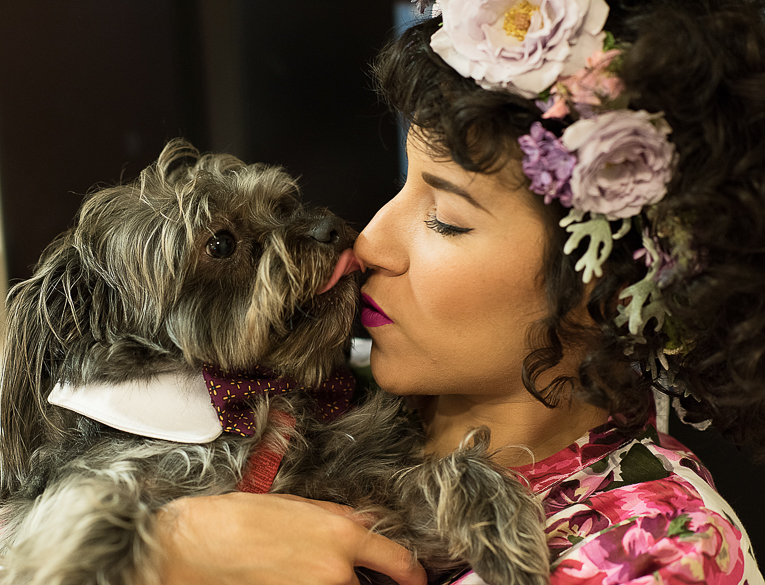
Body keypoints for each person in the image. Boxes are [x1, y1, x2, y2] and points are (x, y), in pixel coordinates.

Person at [156, 0, 765, 583]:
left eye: (445, 218)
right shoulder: (305, 384)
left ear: (609, 284)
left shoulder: (656, 550)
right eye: (404, 183)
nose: (368, 242)